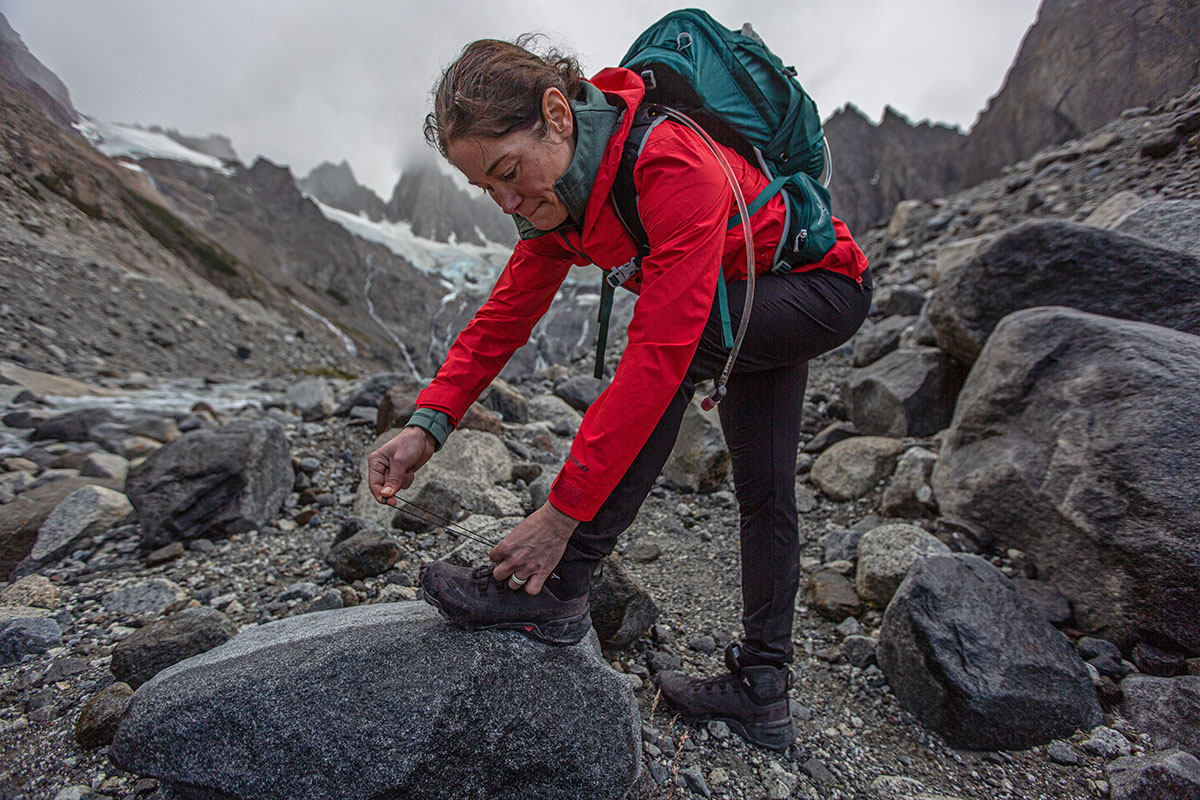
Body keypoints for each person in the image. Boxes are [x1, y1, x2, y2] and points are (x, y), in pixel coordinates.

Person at [367, 35, 870, 751]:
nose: (508, 201)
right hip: (757, 288)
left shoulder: (668, 162)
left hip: (820, 289)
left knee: (683, 348)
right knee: (766, 488)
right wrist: (429, 423)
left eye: (510, 172)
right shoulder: (558, 204)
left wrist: (562, 515)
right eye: (488, 189)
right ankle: (763, 690)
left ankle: (558, 590)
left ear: (557, 113)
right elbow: (504, 316)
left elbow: (658, 358)